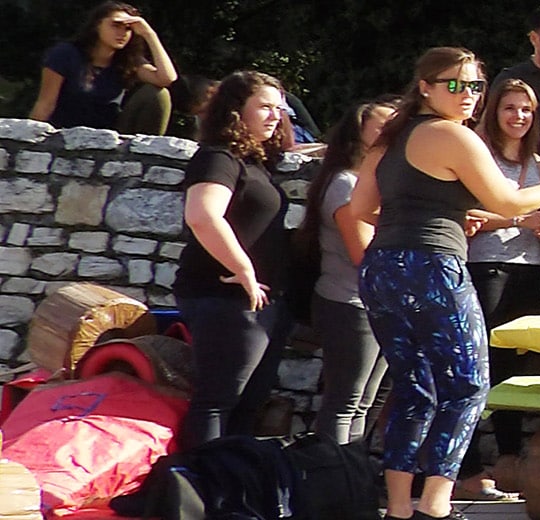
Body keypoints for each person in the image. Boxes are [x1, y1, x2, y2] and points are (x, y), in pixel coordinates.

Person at [355, 47, 540, 520]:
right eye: (455, 84)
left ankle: (401, 508)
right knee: (467, 387)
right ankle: (437, 505)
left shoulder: (392, 138)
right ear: (425, 86)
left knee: (414, 389)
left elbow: (362, 209)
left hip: (382, 268)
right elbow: (509, 202)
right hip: (432, 268)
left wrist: (430, 216)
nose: (467, 95)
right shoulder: (450, 135)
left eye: (475, 86)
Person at [179, 71, 295, 449]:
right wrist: (243, 268)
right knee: (217, 402)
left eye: (279, 108)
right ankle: (202, 490)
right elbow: (202, 215)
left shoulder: (254, 161)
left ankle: (230, 488)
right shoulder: (218, 158)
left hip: (257, 300)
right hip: (224, 297)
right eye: (264, 106)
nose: (275, 116)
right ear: (235, 110)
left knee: (247, 404)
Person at [457, 79, 540, 501]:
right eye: (509, 108)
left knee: (515, 369)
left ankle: (510, 461)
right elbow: (466, 214)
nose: (518, 117)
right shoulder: (480, 156)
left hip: (529, 270)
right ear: (494, 112)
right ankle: (470, 467)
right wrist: (518, 220)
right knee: (482, 367)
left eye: (526, 110)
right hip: (487, 266)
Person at [300, 97, 396, 448]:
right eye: (384, 126)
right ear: (359, 134)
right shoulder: (344, 184)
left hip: (380, 306)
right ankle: (331, 480)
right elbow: (364, 255)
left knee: (365, 403)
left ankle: (349, 479)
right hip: (350, 304)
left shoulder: (376, 184)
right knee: (345, 402)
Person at [30, 1, 176, 134]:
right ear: (97, 25)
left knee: (158, 94)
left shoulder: (128, 60)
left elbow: (166, 79)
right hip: (66, 133)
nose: (122, 33)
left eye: (128, 28)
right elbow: (46, 103)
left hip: (110, 136)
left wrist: (149, 34)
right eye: (116, 25)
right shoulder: (65, 53)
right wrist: (30, 136)